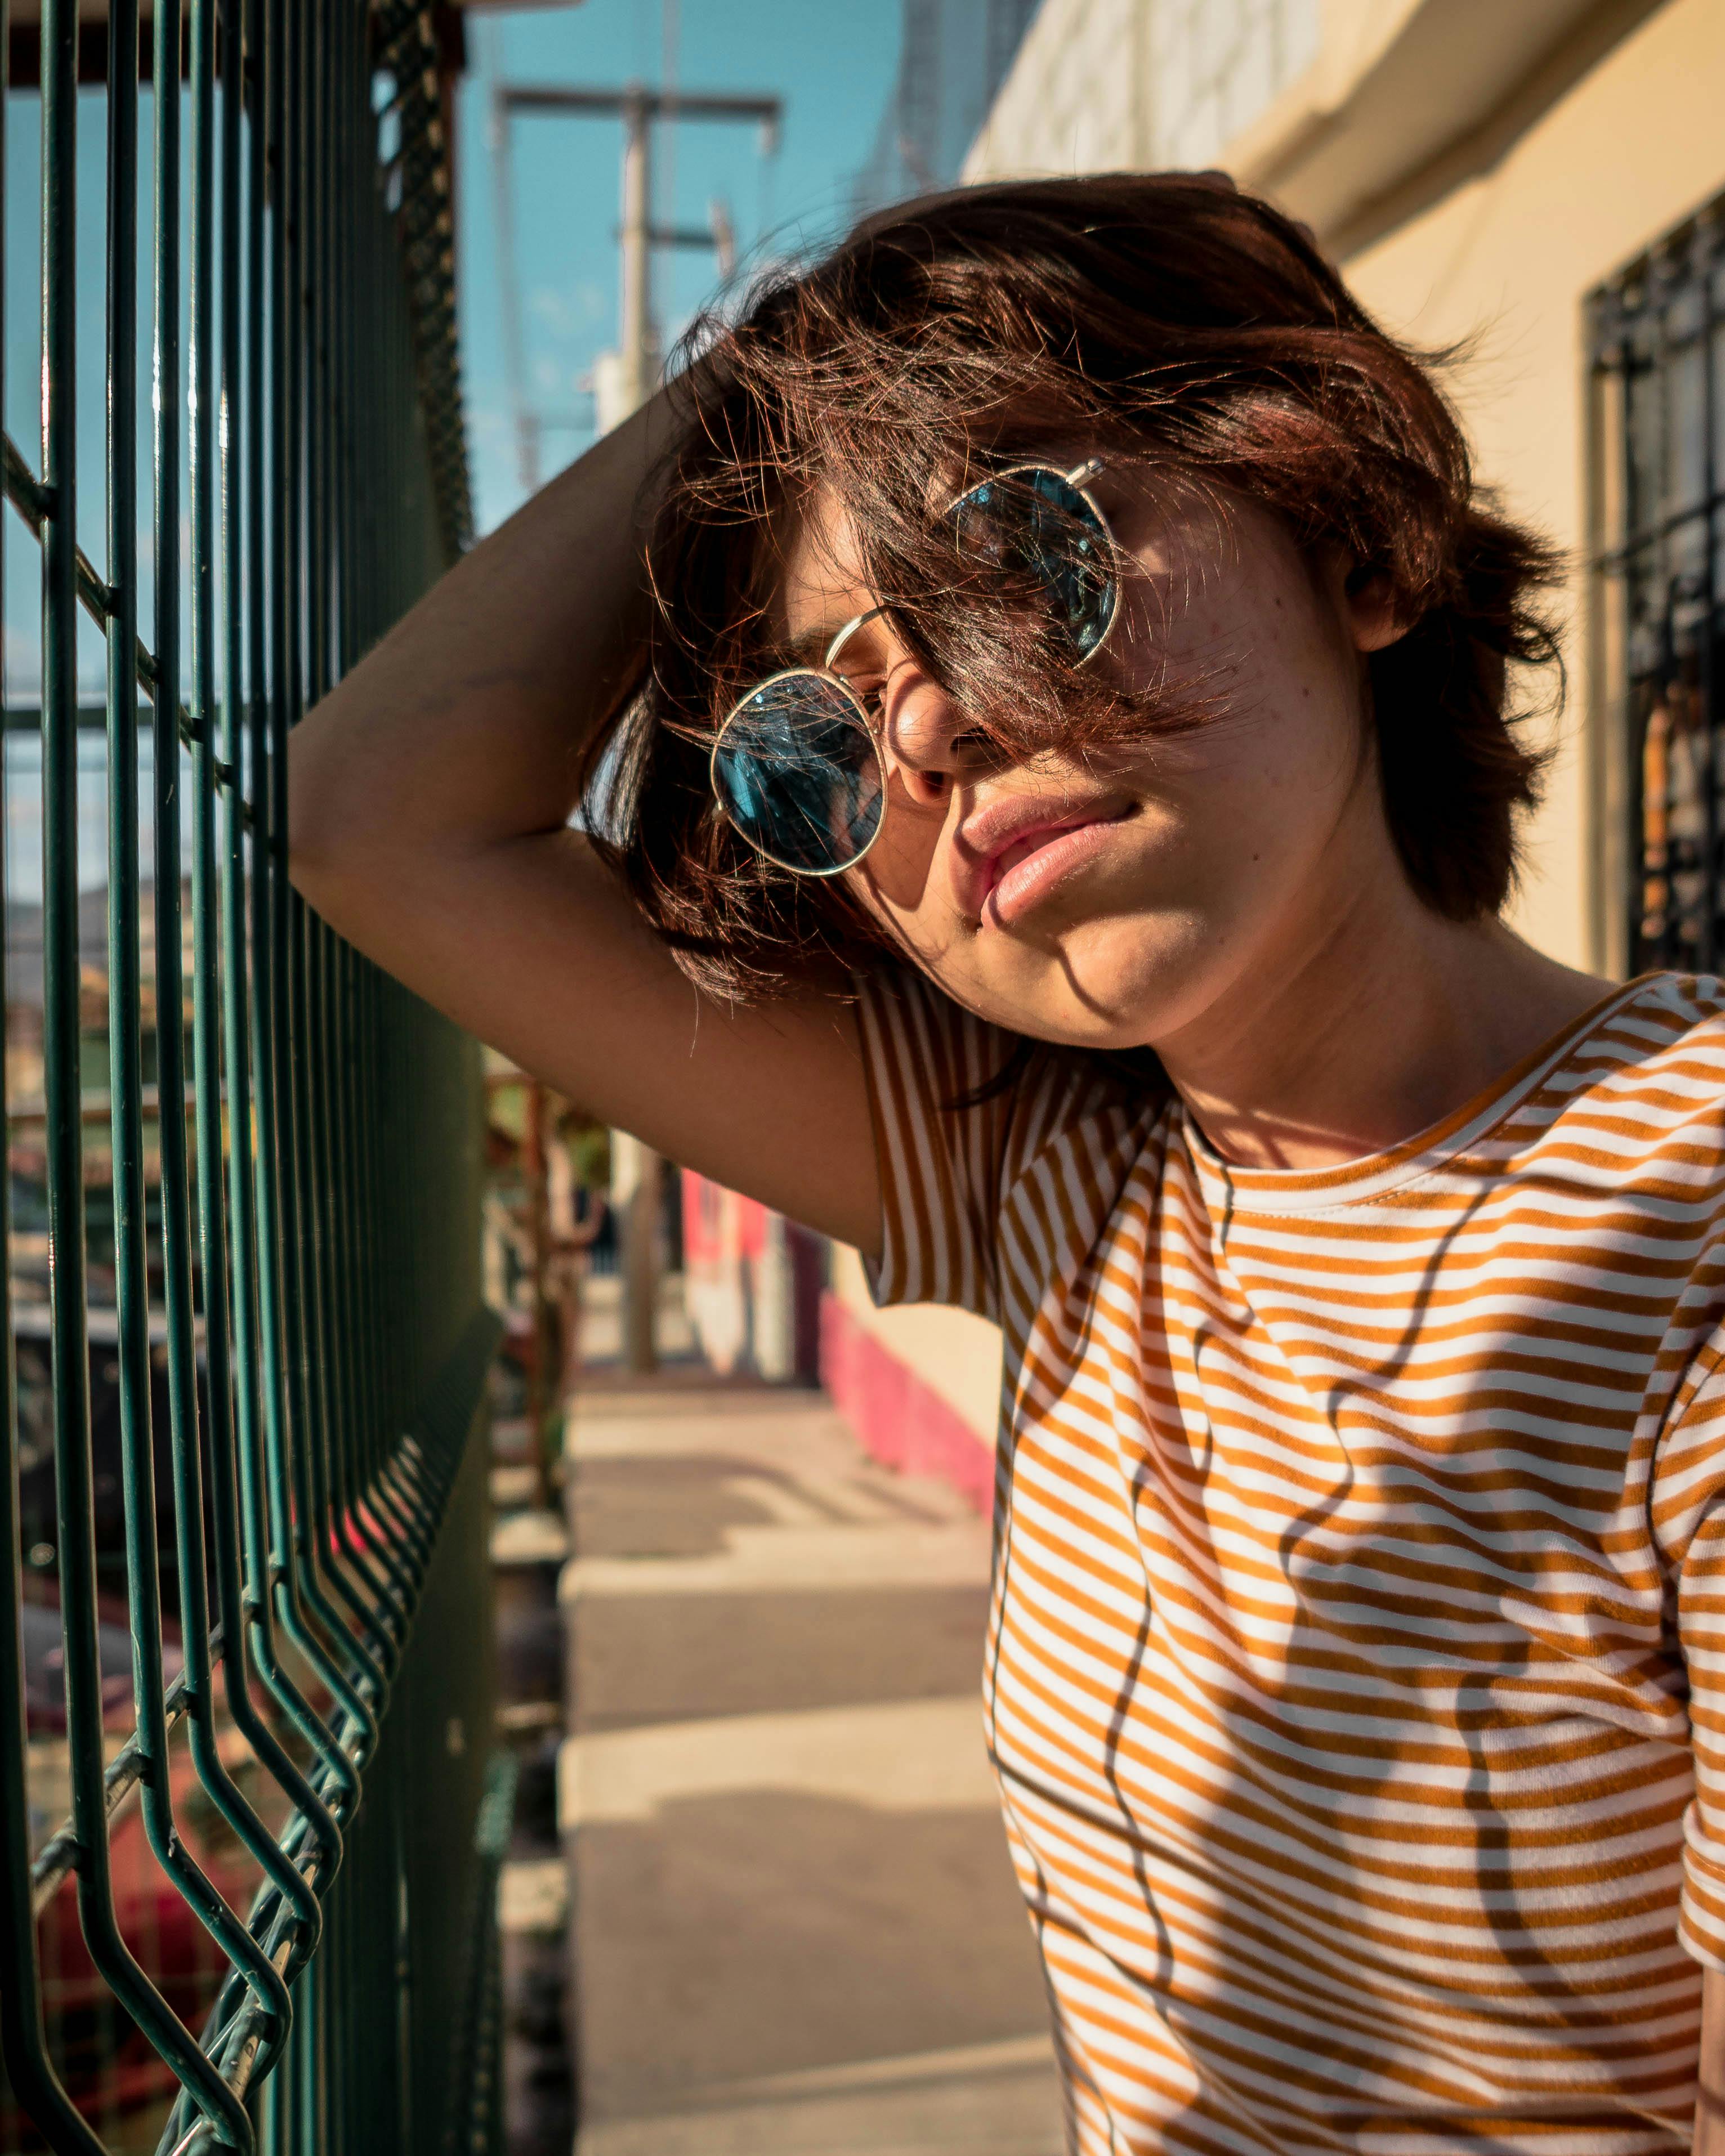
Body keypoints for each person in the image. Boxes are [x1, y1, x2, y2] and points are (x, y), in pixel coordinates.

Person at [288, 174, 1725, 2153]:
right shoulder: (1062, 1182)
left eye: (1021, 554)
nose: (940, 728)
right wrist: (773, 370)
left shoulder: (1687, 1230)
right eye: (823, 741)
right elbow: (380, 823)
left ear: (1356, 538)